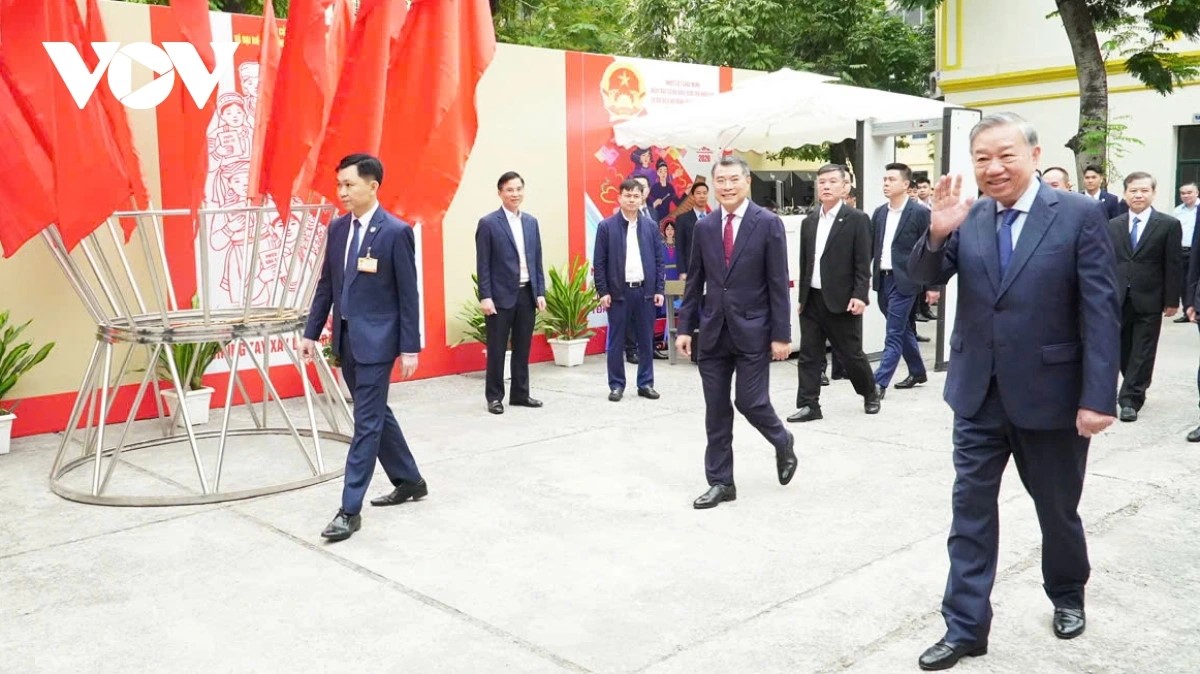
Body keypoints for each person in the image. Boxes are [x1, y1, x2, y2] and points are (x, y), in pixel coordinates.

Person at [909, 113, 1119, 671]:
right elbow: (923, 278)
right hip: (977, 393)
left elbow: (1101, 309)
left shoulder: (1077, 214)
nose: (994, 168)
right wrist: (937, 232)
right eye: (983, 158)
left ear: (1034, 154)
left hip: (1053, 396)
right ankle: (964, 626)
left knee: (1057, 509)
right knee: (970, 512)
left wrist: (1098, 397)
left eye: (1006, 155)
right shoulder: (971, 215)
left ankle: (1067, 593)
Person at [301, 154, 426, 542]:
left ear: (372, 187)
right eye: (339, 185)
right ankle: (410, 480)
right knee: (376, 413)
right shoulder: (338, 229)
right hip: (346, 340)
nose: (342, 192)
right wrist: (311, 332)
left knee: (366, 423)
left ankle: (349, 510)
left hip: (379, 342)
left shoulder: (395, 232)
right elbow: (327, 284)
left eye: (349, 184)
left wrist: (410, 347)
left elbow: (409, 294)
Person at [676, 155, 796, 510]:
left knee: (750, 401)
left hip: (753, 330)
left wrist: (782, 334)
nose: (726, 187)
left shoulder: (768, 223)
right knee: (716, 410)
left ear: (747, 182)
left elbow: (778, 282)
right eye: (720, 181)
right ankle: (721, 482)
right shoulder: (705, 227)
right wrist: (685, 327)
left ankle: (782, 439)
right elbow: (695, 281)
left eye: (733, 180)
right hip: (713, 331)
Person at [790, 164, 881, 422]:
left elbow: (863, 262)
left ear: (845, 187)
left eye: (832, 181)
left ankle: (869, 392)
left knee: (850, 354)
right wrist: (802, 297)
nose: (826, 186)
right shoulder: (809, 221)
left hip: (842, 299)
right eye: (822, 182)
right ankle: (809, 405)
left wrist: (860, 295)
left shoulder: (857, 219)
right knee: (809, 355)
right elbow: (806, 262)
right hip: (812, 299)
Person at [1107, 171, 1182, 422]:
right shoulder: (1113, 225)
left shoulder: (1168, 225)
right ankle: (1135, 383)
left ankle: (1130, 399)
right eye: (1133, 191)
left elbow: (1173, 264)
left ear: (1153, 193)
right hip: (1118, 297)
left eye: (1144, 190)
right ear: (1125, 194)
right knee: (1123, 349)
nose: (1138, 195)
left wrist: (1172, 300)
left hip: (1150, 297)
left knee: (1144, 349)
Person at [475, 171, 547, 415]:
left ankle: (520, 394)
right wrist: (485, 296)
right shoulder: (488, 223)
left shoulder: (531, 222)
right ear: (500, 193)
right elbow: (483, 263)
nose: (515, 194)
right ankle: (494, 397)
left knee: (523, 347)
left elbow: (537, 259)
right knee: (497, 349)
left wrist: (540, 292)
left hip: (527, 294)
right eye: (509, 190)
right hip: (499, 297)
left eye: (518, 189)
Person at [594, 178, 666, 401]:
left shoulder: (650, 227)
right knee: (616, 342)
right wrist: (603, 291)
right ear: (619, 198)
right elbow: (599, 262)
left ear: (642, 198)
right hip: (618, 293)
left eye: (636, 196)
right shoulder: (606, 227)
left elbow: (659, 260)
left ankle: (646, 383)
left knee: (646, 341)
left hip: (645, 292)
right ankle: (616, 385)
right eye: (628, 195)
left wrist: (659, 289)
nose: (632, 200)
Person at [870, 162, 930, 395]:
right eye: (885, 180)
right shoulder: (880, 213)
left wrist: (932, 286)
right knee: (902, 328)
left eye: (891, 180)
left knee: (893, 333)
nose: (886, 183)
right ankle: (918, 371)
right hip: (883, 279)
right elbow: (870, 248)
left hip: (905, 281)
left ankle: (878, 383)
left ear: (906, 184)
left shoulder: (919, 213)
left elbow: (931, 248)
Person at [674, 181, 709, 282]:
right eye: (698, 193)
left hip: (712, 270)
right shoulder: (682, 219)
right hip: (691, 270)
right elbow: (679, 247)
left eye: (704, 193)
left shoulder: (714, 218)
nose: (702, 196)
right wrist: (682, 271)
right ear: (692, 196)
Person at [1174, 182, 1198, 322]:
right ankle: (1186, 311)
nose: (1186, 195)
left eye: (1189, 192)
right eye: (1183, 193)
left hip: (1196, 251)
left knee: (1196, 281)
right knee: (1183, 282)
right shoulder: (1178, 211)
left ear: (1197, 193)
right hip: (1182, 250)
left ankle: (1197, 309)